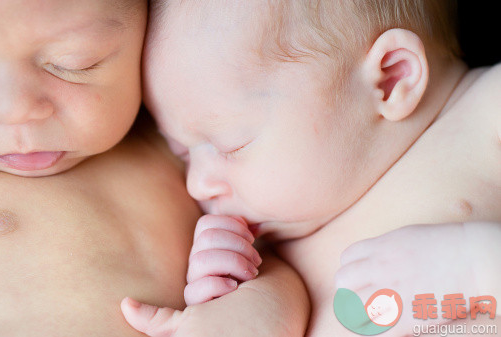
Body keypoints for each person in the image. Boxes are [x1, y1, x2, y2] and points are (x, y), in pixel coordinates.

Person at [122, 0, 500, 336]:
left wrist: (477, 266)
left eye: (230, 144)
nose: (197, 185)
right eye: (183, 154)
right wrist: (223, 308)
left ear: (391, 79)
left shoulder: (484, 116)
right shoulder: (267, 255)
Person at [0, 1, 201, 336]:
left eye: (73, 62)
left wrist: (247, 308)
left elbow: (280, 264)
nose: (15, 110)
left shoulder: (199, 161)